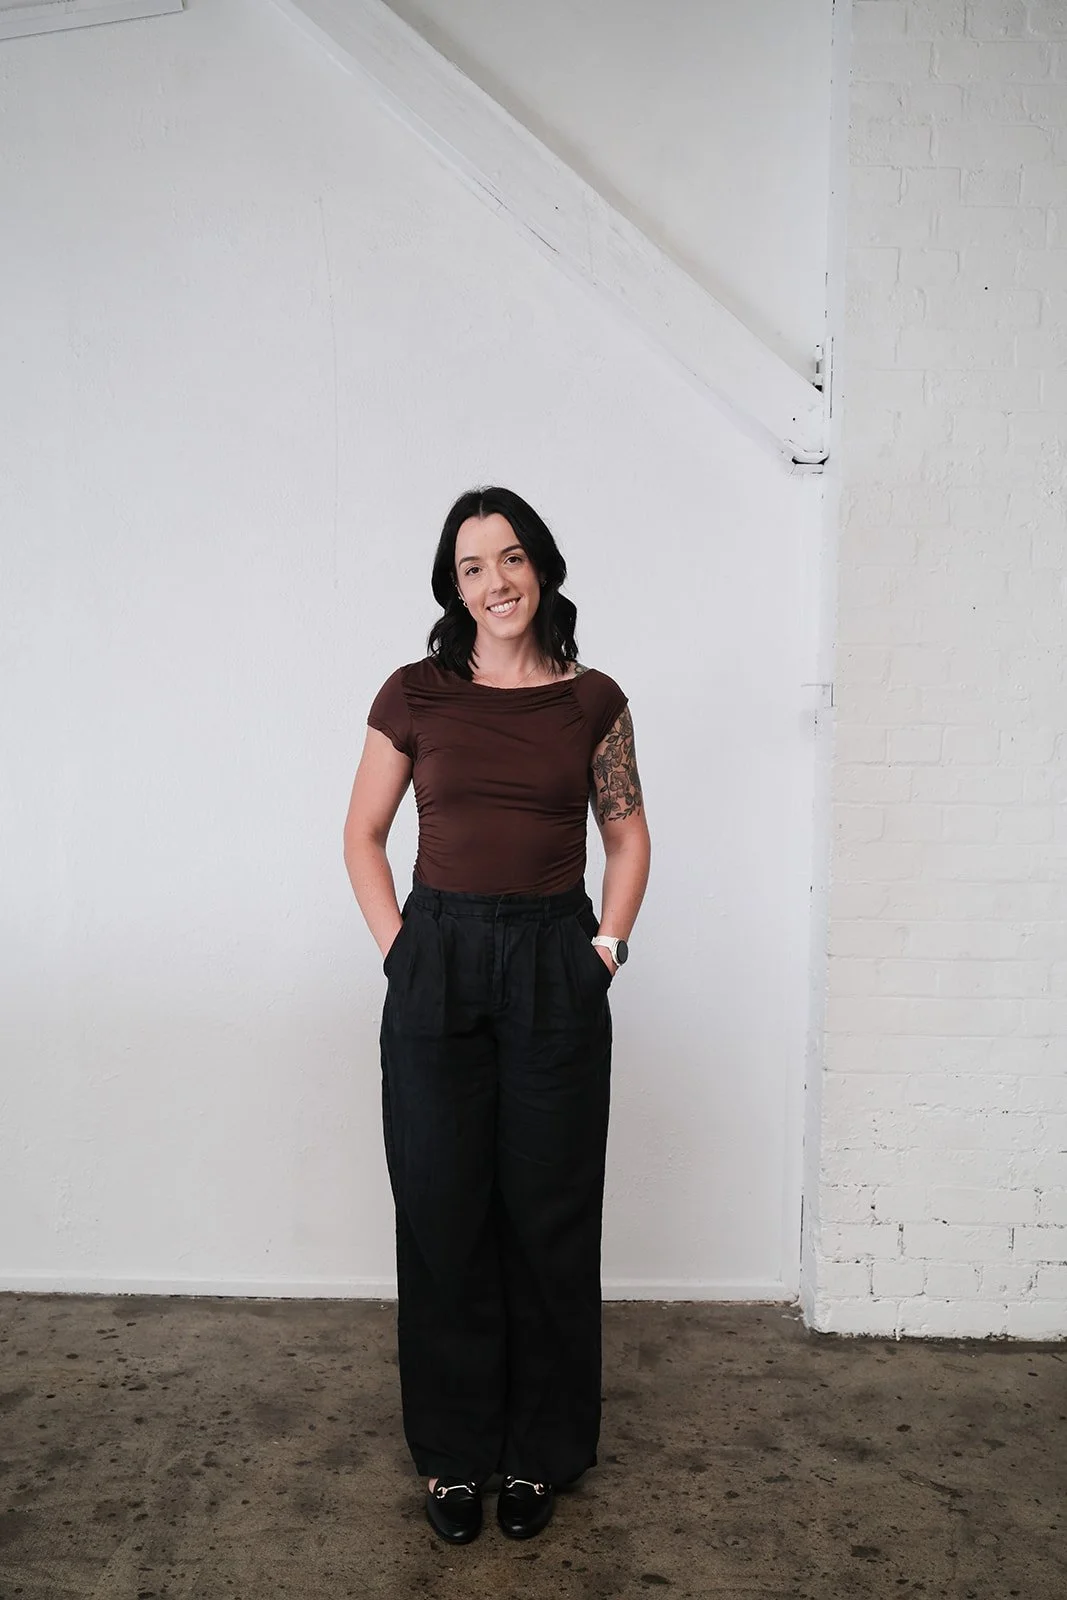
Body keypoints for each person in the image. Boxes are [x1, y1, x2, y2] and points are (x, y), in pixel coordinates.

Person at [342, 486, 650, 1544]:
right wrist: (402, 951)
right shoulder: (415, 694)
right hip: (437, 962)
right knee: (441, 1216)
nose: (494, 582)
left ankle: (537, 1454)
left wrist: (602, 948)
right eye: (471, 566)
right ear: (453, 586)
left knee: (548, 1217)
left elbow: (628, 836)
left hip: (551, 964)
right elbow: (362, 833)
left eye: (510, 558)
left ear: (542, 568)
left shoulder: (592, 699)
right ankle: (453, 1455)